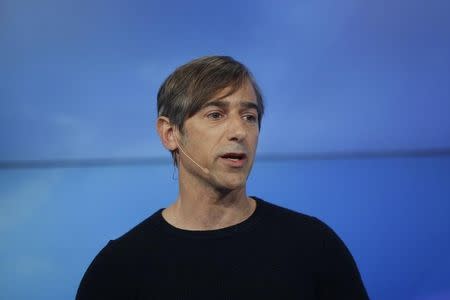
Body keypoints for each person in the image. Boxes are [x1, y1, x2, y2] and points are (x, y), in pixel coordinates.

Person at [76, 56, 370, 299]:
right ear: (169, 133)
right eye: (216, 114)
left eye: (249, 117)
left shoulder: (314, 246)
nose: (239, 132)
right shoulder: (119, 269)